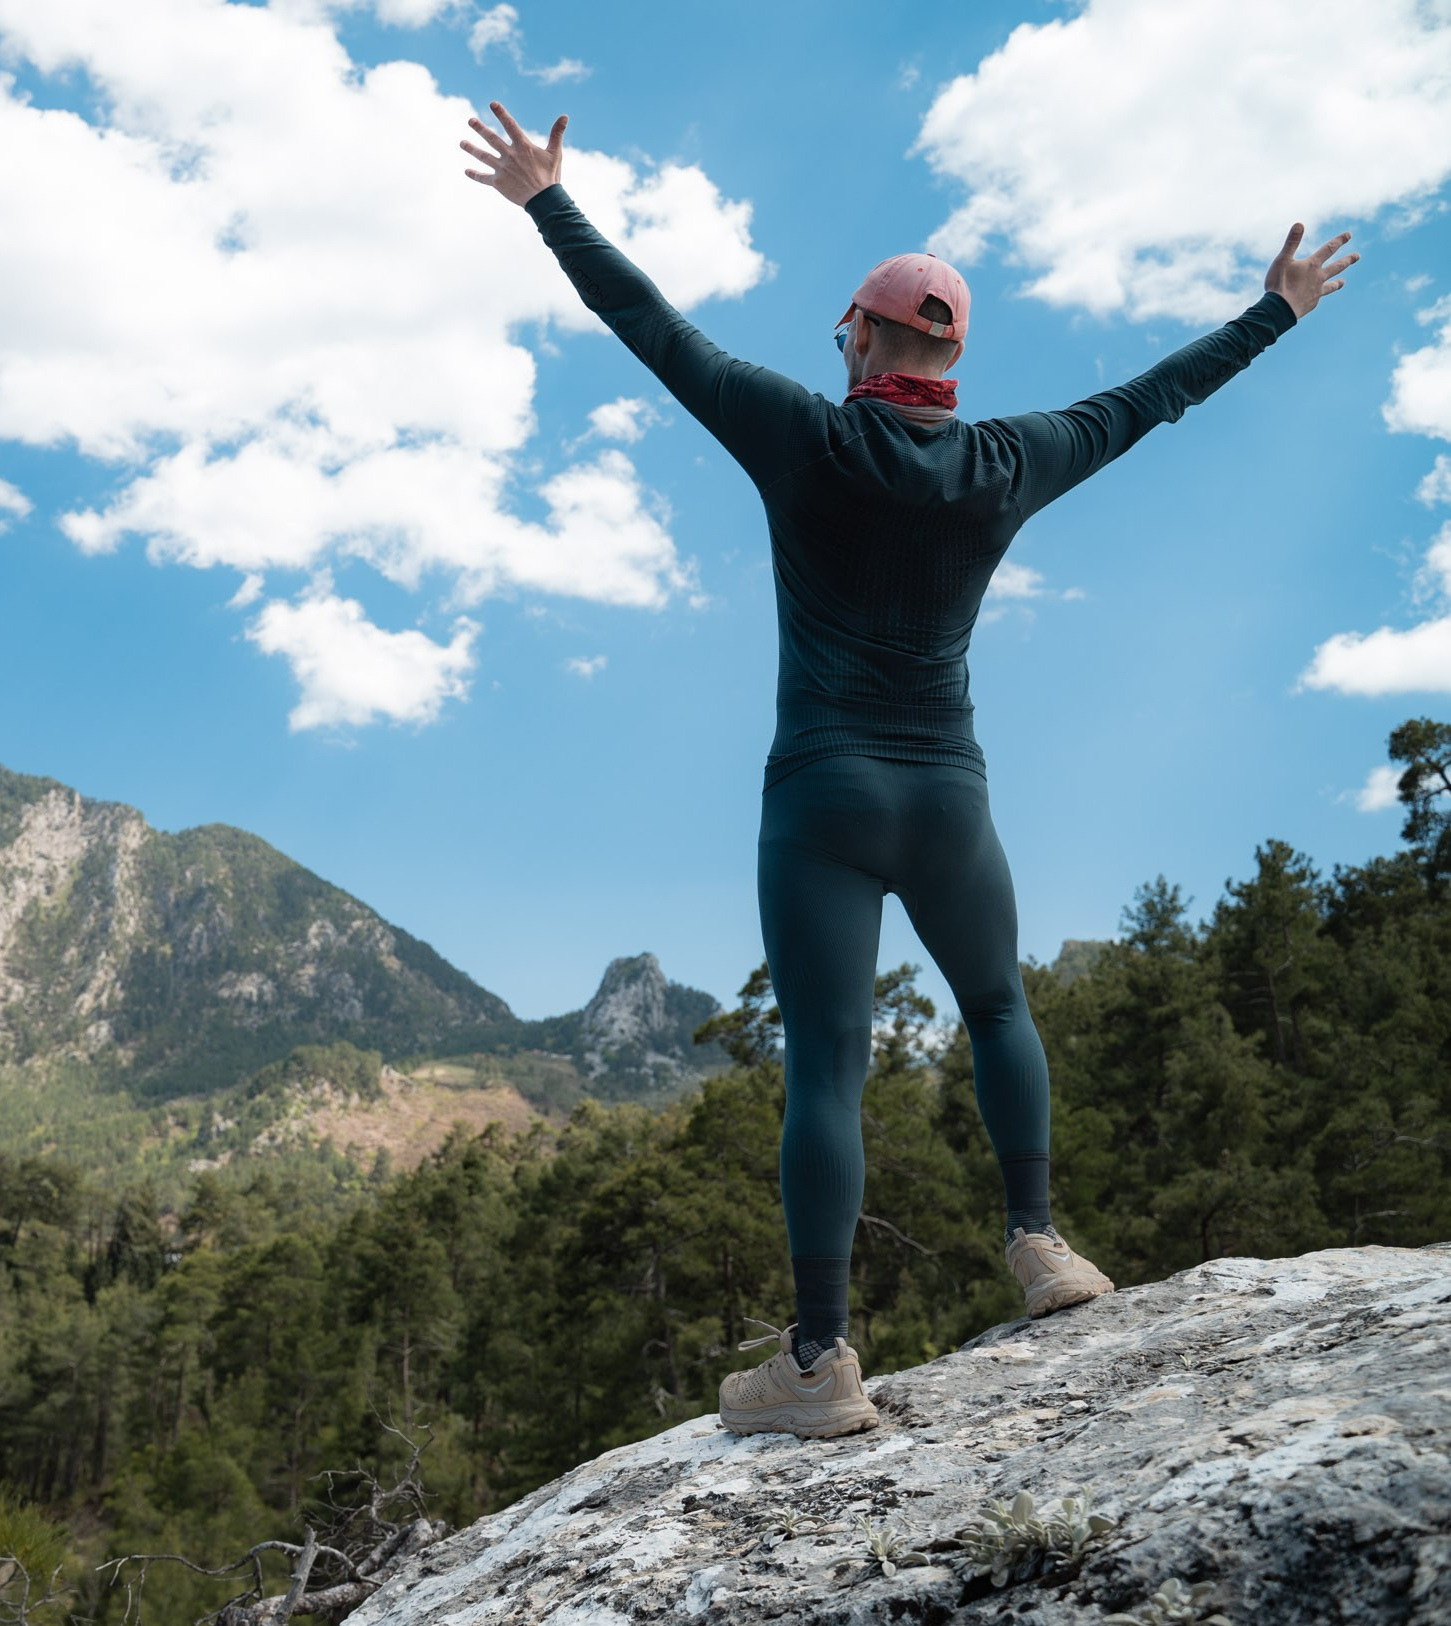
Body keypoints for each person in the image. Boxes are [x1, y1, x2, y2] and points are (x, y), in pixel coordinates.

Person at [463, 101, 1356, 1440]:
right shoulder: (1006, 461)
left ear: (869, 340)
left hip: (821, 798)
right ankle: (1041, 1244)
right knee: (998, 1009)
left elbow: (652, 325)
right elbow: (1148, 401)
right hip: (950, 796)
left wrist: (546, 201)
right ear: (952, 354)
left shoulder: (802, 436)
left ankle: (821, 1365)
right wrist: (1274, 313)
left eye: (849, 332)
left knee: (827, 1061)